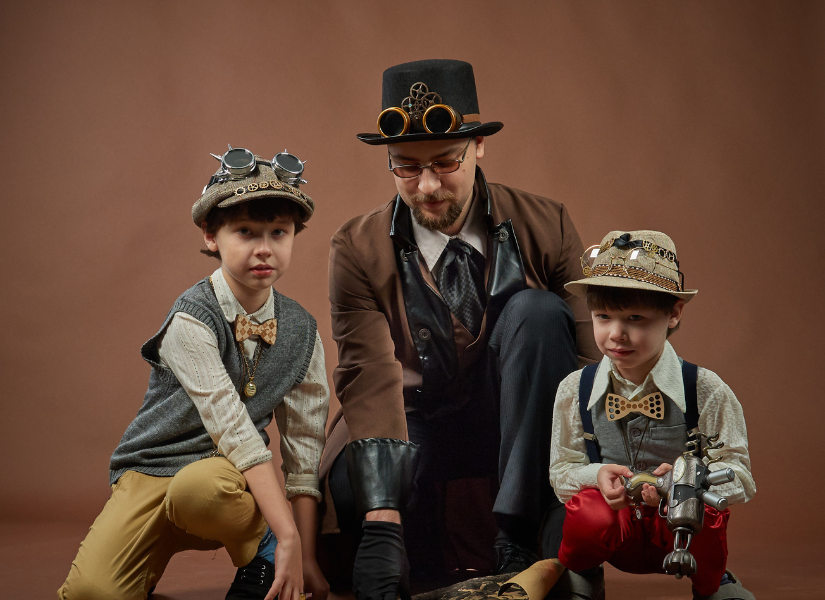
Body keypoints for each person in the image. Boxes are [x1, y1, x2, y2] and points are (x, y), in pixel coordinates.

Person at [319, 59, 601, 600]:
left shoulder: (549, 223)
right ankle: (414, 539)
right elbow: (368, 374)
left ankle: (525, 538)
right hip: (411, 422)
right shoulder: (355, 246)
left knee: (540, 313)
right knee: (355, 491)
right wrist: (382, 519)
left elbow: (590, 366)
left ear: (478, 148)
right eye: (406, 167)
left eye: (445, 162)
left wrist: (582, 497)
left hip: (520, 427)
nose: (427, 186)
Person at [58, 147, 330, 600]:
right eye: (245, 232)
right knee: (90, 594)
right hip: (152, 470)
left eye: (278, 233)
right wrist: (289, 536)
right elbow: (233, 427)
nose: (265, 248)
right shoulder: (191, 319)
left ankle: (260, 554)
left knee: (201, 488)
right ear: (211, 235)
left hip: (223, 484)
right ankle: (259, 543)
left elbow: (304, 448)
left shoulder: (302, 331)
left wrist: (304, 556)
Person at [548, 230, 756, 600]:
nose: (616, 334)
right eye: (603, 316)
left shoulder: (705, 390)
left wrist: (689, 482)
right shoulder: (574, 390)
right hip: (616, 525)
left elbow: (740, 476)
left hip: (680, 527)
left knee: (706, 511)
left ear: (673, 314)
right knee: (586, 511)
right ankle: (583, 573)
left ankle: (714, 585)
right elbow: (561, 471)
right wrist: (597, 474)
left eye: (635, 318)